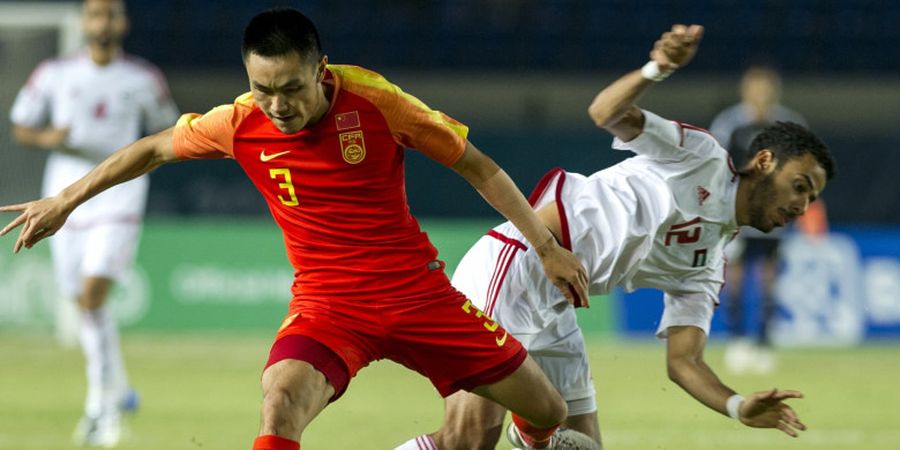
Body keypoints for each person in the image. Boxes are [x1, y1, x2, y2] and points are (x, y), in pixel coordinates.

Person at [0, 8, 600, 450]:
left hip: (419, 296)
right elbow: (154, 149)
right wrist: (66, 200)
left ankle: (539, 444)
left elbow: (478, 166)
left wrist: (545, 247)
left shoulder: (376, 102)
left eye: (291, 88)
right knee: (280, 400)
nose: (277, 105)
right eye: (263, 90)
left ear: (320, 68)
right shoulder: (238, 121)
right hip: (329, 305)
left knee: (546, 407)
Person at [398, 24, 836, 450]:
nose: (802, 205)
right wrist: (656, 69)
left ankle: (534, 434)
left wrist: (739, 406)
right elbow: (604, 112)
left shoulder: (706, 264)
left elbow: (685, 362)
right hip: (517, 264)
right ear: (763, 161)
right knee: (468, 441)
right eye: (799, 185)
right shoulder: (701, 157)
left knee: (584, 446)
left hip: (556, 305)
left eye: (811, 197)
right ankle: (532, 433)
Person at [8, 0, 179, 446]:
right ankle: (119, 391)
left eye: (111, 14)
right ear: (84, 22)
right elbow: (20, 125)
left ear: (123, 23)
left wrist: (135, 175)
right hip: (62, 196)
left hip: (119, 199)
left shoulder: (143, 78)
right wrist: (48, 137)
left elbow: (167, 134)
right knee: (82, 303)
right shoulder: (54, 73)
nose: (103, 22)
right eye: (95, 14)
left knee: (91, 295)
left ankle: (100, 408)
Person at [709, 66, 810, 374]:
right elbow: (715, 165)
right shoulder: (730, 124)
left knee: (769, 280)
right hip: (738, 214)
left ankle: (765, 342)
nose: (761, 96)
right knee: (735, 279)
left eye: (766, 90)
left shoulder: (790, 125)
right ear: (746, 92)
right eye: (756, 89)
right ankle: (738, 341)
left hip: (775, 214)